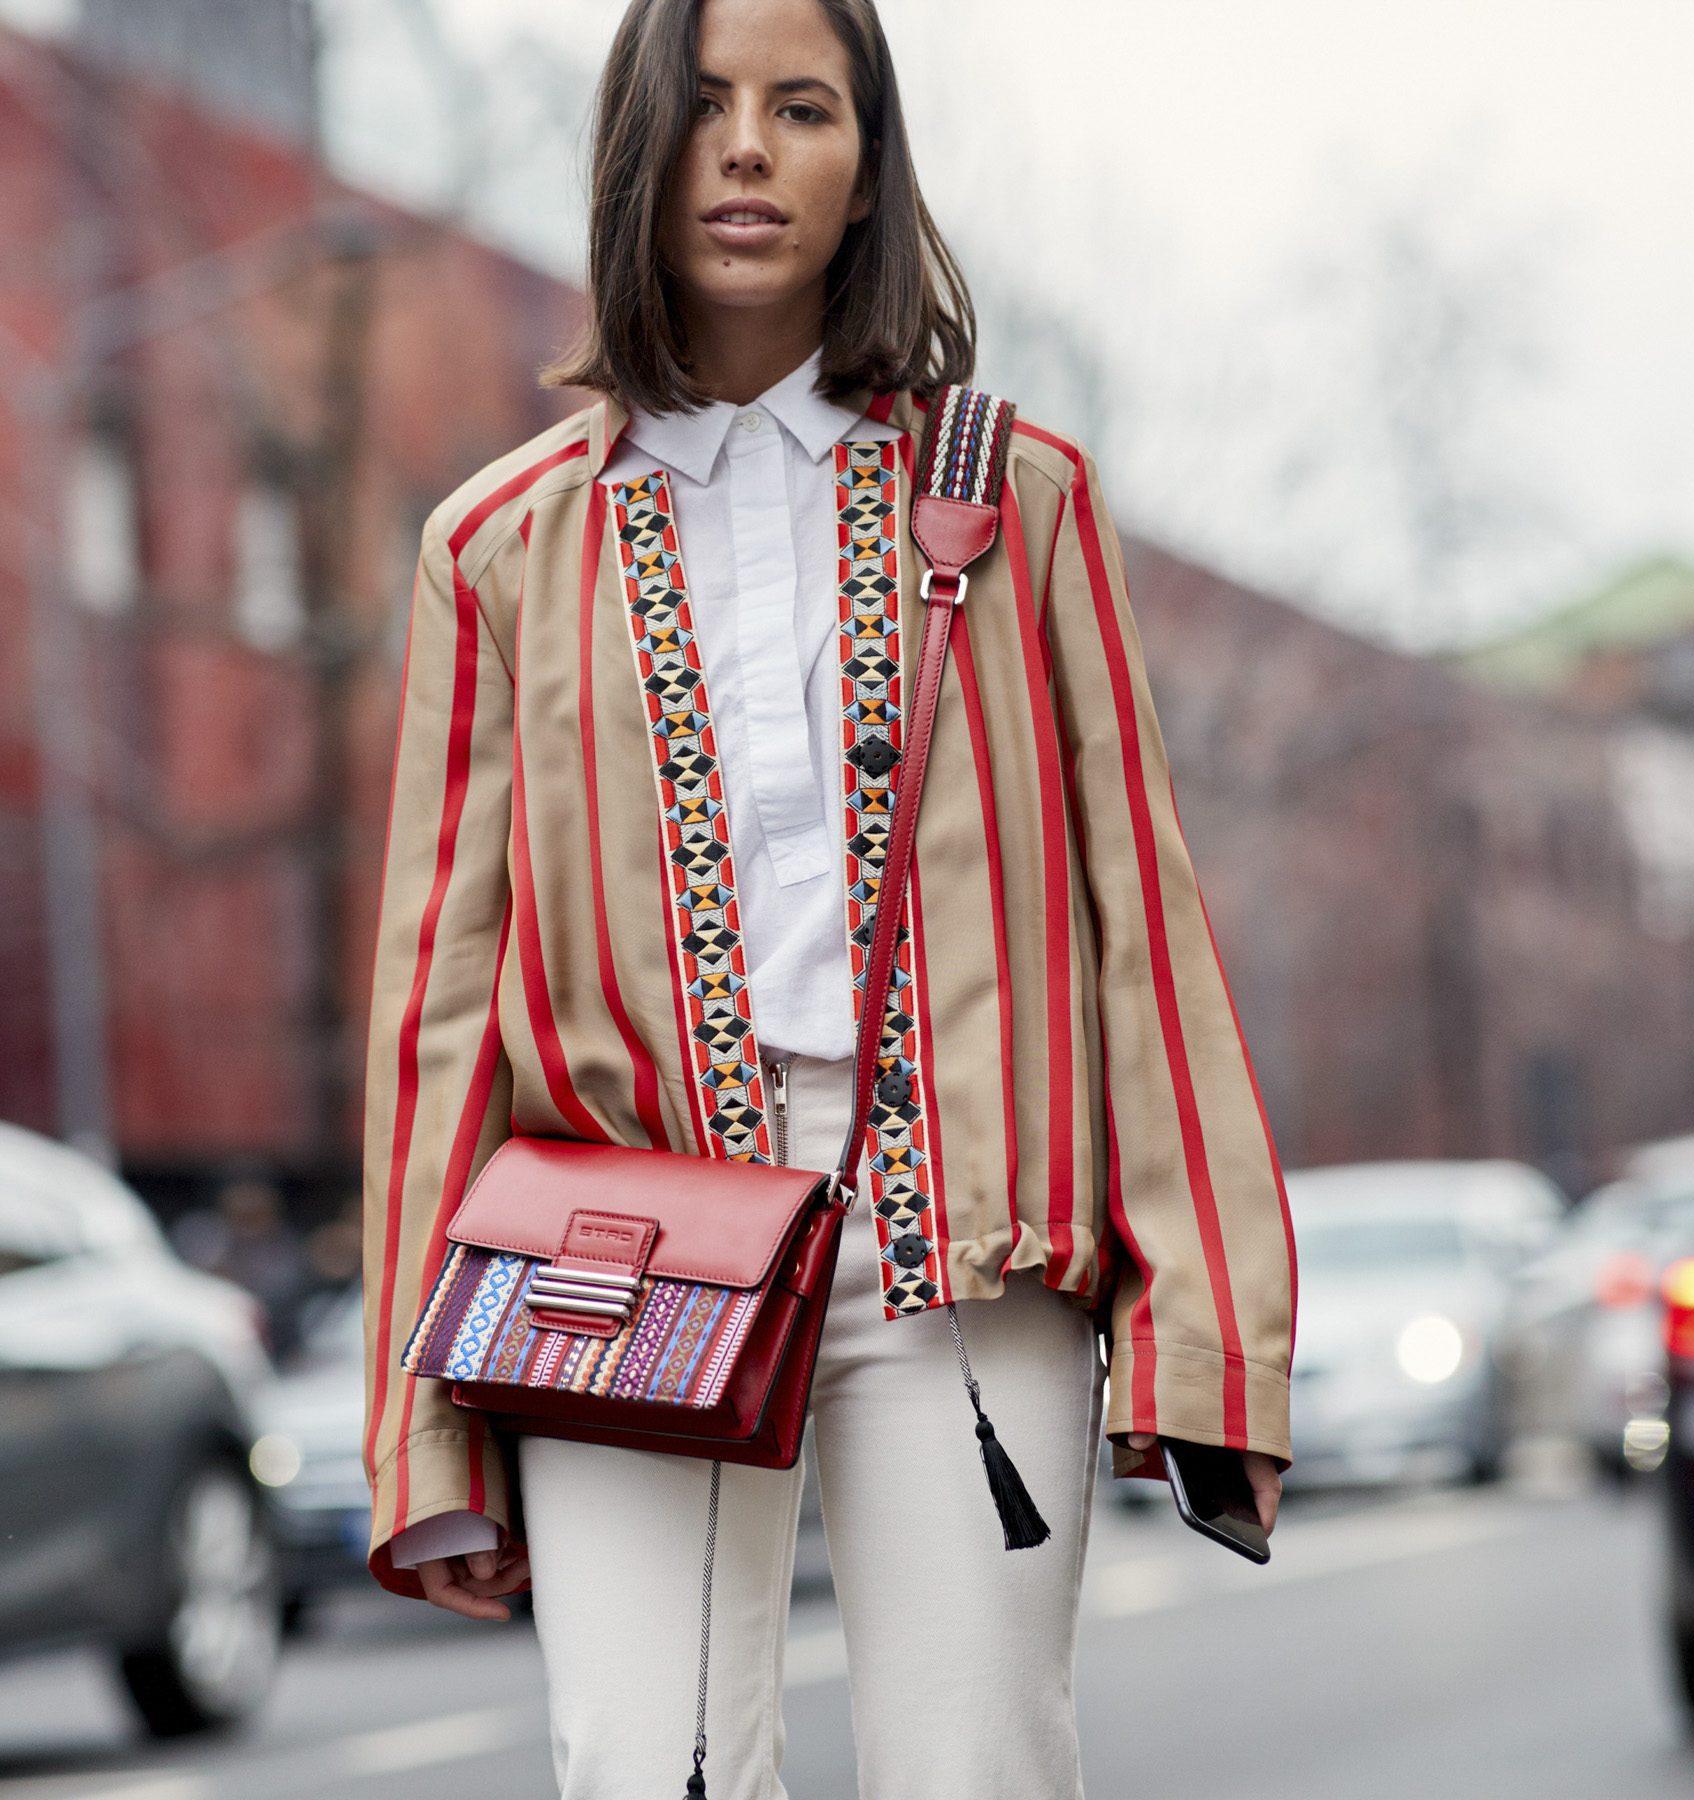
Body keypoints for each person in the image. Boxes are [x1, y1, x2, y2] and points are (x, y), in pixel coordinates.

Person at [359, 2, 1295, 1794]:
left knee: (977, 1769)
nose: (749, 148)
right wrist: (427, 1437)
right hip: (626, 1268)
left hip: (968, 1242)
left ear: (867, 165)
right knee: (649, 1770)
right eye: (705, 106)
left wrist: (1209, 1334)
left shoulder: (1022, 502)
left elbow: (1144, 944)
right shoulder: (498, 548)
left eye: (804, 106)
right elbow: (440, 1011)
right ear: (639, 147)